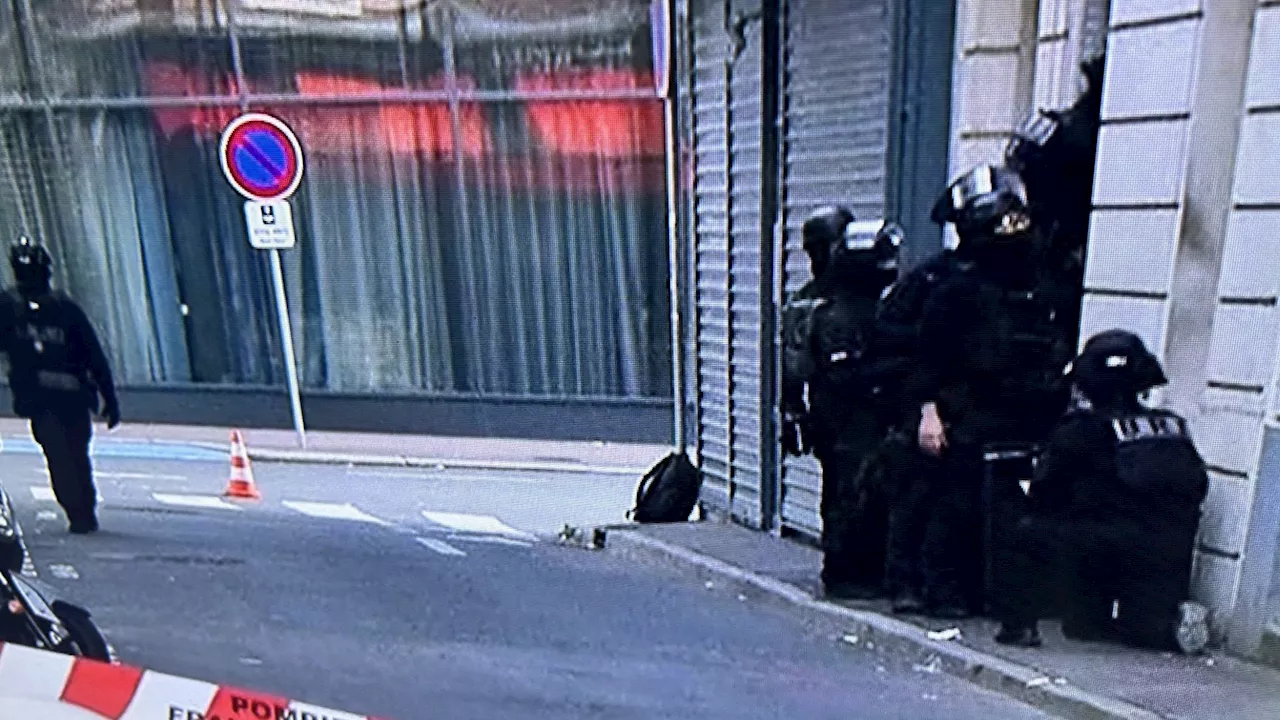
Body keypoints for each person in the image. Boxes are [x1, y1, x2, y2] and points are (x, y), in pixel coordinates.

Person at [898, 164, 1074, 619]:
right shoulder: (952, 289)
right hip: (972, 412)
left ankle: (1006, 593)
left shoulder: (1044, 285)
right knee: (956, 505)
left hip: (1031, 411)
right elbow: (929, 358)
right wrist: (929, 413)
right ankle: (945, 592)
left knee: (1019, 508)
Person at [992, 329, 1210, 654]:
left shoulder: (1080, 430)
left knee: (1023, 530)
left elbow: (1044, 493)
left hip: (1100, 542)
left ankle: (1018, 627)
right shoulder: (1170, 425)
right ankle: (1171, 620)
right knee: (1146, 633)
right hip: (1166, 552)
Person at [780, 206, 903, 600]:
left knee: (861, 488)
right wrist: (793, 412)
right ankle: (845, 571)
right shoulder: (819, 304)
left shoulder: (857, 294)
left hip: (854, 410)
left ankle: (862, 567)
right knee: (847, 489)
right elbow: (797, 363)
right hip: (840, 410)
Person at [0, 237, 120, 534]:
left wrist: (109, 398)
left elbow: (92, 354)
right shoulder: (61, 308)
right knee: (73, 456)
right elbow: (95, 355)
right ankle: (82, 511)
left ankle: (79, 510)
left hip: (47, 400)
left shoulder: (13, 308)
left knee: (63, 457)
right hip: (68, 399)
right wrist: (109, 398)